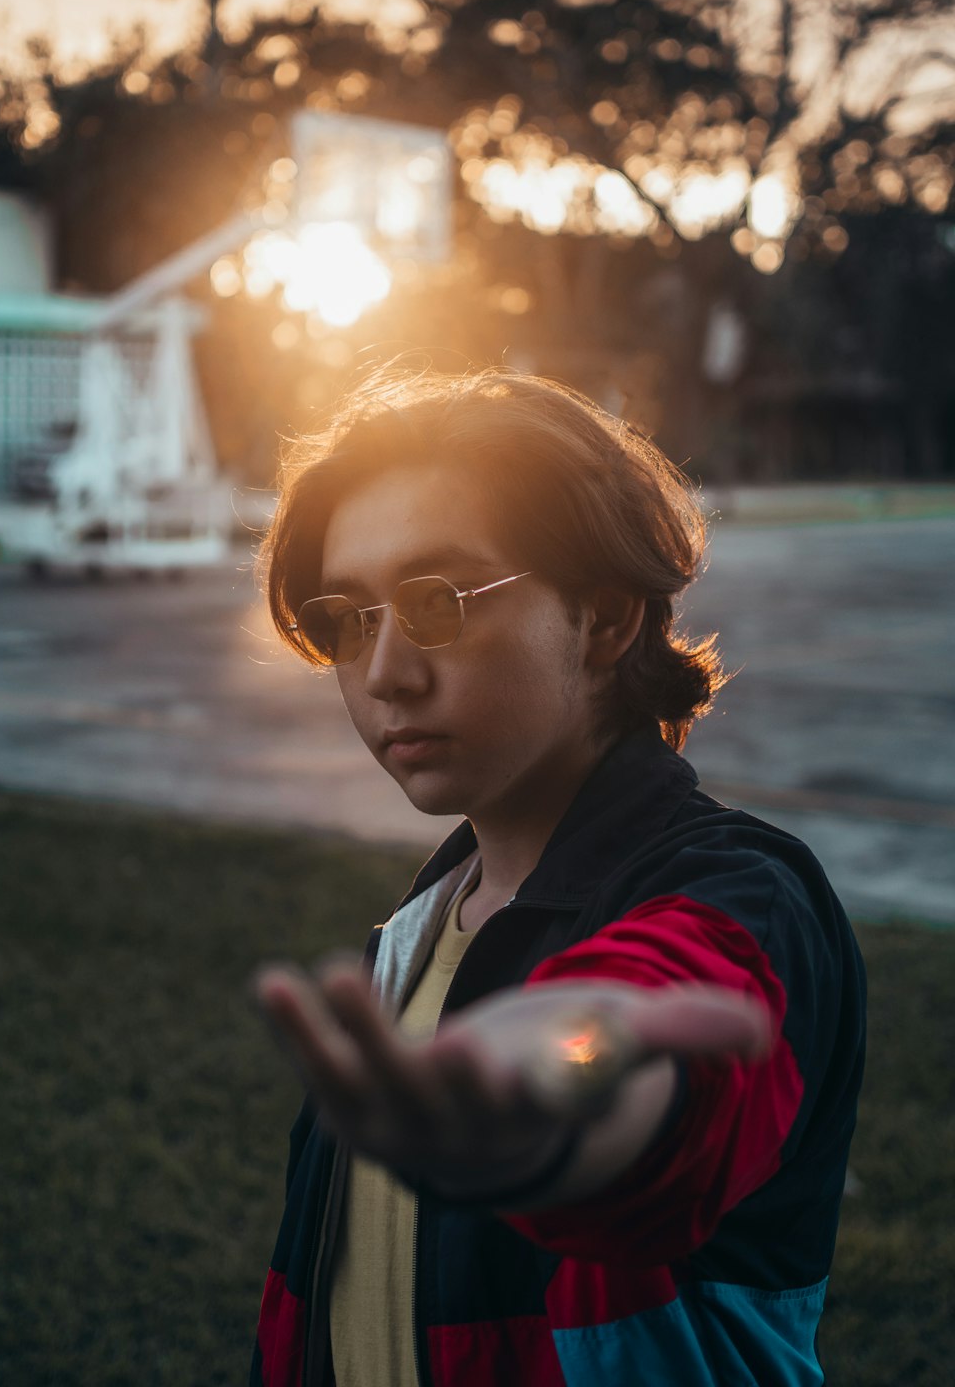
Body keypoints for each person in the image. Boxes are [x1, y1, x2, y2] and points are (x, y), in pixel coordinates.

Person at [249, 368, 866, 1387]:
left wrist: (560, 1103)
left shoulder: (744, 895)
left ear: (606, 617)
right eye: (349, 618)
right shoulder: (423, 921)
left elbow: (664, 1039)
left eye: (437, 602)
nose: (385, 673)